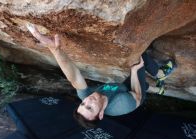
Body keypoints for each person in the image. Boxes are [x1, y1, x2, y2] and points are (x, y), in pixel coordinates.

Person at [26, 23, 175, 128]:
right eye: (90, 108)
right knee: (139, 60)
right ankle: (160, 74)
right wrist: (135, 71)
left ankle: (154, 85)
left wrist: (55, 50)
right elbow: (136, 94)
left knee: (140, 76)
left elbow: (74, 77)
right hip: (134, 95)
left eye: (83, 104)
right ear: (101, 114)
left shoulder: (86, 96)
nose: (87, 101)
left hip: (122, 88)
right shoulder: (120, 105)